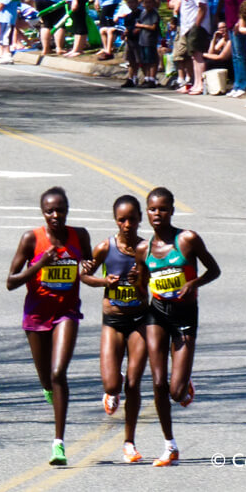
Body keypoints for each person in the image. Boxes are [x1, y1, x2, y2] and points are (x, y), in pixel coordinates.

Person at [135, 187, 221, 467]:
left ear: (172, 210)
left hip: (185, 315)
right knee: (158, 383)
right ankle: (169, 445)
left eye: (162, 209)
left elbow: (214, 270)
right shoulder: (142, 249)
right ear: (146, 212)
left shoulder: (188, 239)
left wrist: (193, 283)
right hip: (157, 314)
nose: (156, 214)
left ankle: (184, 385)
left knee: (175, 392)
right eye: (152, 209)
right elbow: (141, 289)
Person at [6, 187, 92, 465]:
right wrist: (40, 264)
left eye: (61, 209)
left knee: (58, 373)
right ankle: (48, 389)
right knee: (46, 379)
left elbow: (88, 267)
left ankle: (59, 444)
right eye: (50, 211)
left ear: (68, 209)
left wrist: (89, 268)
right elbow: (11, 282)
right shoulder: (31, 239)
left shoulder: (79, 236)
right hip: (36, 317)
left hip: (66, 312)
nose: (56, 215)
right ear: (42, 212)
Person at [79, 195, 148, 463]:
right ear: (115, 220)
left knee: (133, 384)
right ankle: (112, 383)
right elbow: (84, 275)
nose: (127, 224)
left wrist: (141, 279)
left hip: (140, 320)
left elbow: (157, 283)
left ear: (140, 218)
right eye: (122, 219)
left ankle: (129, 442)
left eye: (132, 218)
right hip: (114, 320)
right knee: (112, 384)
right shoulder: (105, 247)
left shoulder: (147, 248)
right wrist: (102, 281)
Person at [177, 0, 211, 95]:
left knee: (198, 56)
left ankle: (200, 85)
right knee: (193, 57)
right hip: (188, 27)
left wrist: (197, 24)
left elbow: (202, 6)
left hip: (197, 26)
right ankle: (196, 83)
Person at [223, 0, 246, 98]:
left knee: (240, 56)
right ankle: (237, 83)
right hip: (230, 26)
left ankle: (244, 83)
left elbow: (243, 7)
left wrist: (239, 23)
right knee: (235, 56)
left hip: (237, 27)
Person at [135, 0, 162, 87]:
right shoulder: (143, 13)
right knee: (144, 60)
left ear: (153, 3)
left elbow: (153, 27)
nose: (147, 4)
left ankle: (152, 78)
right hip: (142, 39)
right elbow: (138, 24)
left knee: (152, 60)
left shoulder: (154, 14)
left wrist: (141, 26)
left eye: (149, 2)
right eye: (145, 2)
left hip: (150, 40)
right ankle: (146, 78)